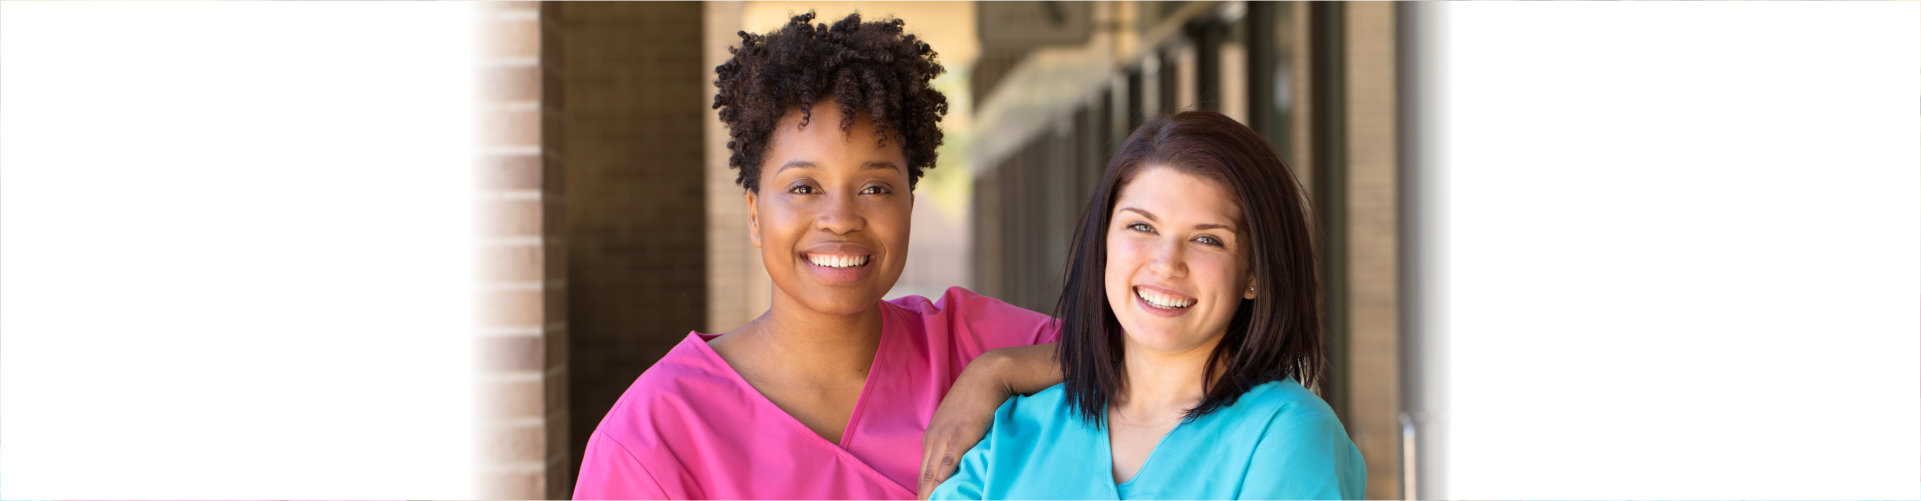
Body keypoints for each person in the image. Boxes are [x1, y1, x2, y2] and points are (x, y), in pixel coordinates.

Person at [573, 12, 1059, 499]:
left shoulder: (972, 345)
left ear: (908, 207)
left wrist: (996, 373)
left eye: (874, 187)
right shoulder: (656, 434)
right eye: (804, 186)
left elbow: (1127, 352)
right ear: (755, 215)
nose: (840, 217)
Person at [928, 111, 1367, 500]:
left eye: (1207, 239)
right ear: (1103, 243)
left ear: (1254, 273)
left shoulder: (1286, 435)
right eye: (1141, 226)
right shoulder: (1013, 437)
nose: (1166, 263)